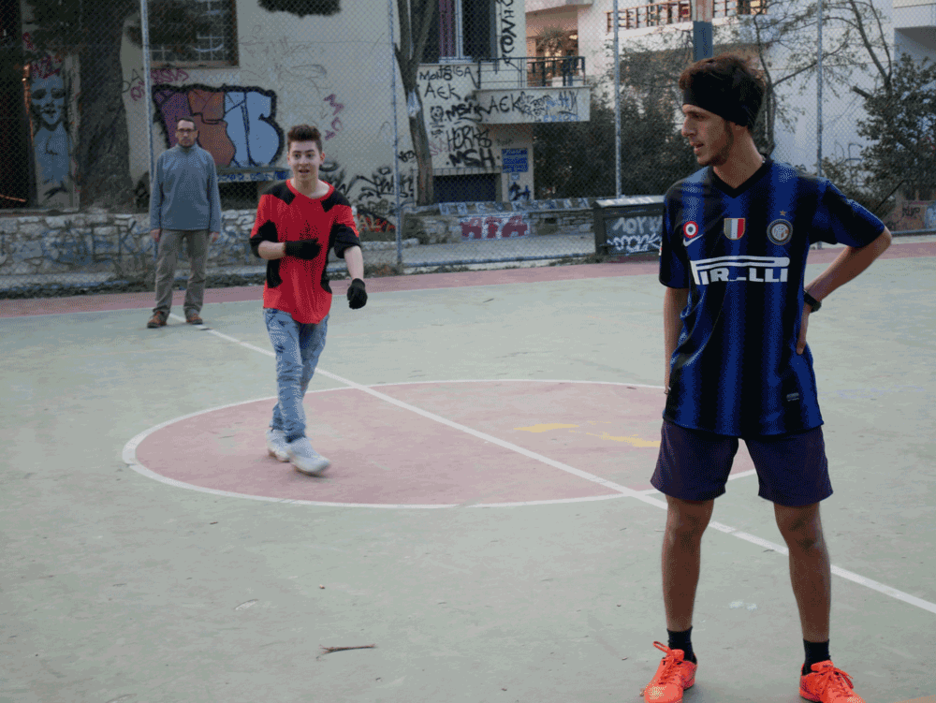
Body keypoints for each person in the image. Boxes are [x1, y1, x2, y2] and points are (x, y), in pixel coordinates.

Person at [643, 54, 892, 703]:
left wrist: (812, 296)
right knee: (685, 520)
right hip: (701, 390)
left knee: (803, 526)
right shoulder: (683, 200)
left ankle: (818, 666)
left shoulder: (800, 193)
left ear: (732, 120)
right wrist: (673, 370)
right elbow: (674, 292)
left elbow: (874, 236)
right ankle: (677, 653)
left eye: (695, 117)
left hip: (781, 386)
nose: (685, 129)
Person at [249, 124, 367, 476]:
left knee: (303, 374)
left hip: (317, 304)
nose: (303, 161)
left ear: (321, 158)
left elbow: (350, 243)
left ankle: (276, 429)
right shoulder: (273, 197)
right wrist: (289, 248)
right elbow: (258, 247)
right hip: (280, 300)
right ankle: (298, 442)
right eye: (297, 155)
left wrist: (358, 279)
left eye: (309, 155)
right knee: (289, 369)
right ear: (288, 158)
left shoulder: (336, 202)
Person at [147, 117, 222, 328]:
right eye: (181, 130)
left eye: (189, 130)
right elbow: (156, 195)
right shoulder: (165, 158)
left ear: (196, 133)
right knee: (165, 271)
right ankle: (160, 312)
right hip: (170, 224)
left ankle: (192, 310)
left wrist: (215, 225)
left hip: (200, 225)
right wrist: (155, 224)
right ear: (176, 133)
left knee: (198, 272)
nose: (186, 134)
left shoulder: (206, 159)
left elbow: (213, 194)